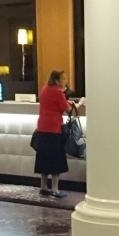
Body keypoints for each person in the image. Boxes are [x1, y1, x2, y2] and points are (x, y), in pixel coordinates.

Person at [34, 69, 80, 198]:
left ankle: (43, 187)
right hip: (54, 129)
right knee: (56, 159)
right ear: (56, 80)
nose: (66, 81)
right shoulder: (58, 92)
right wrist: (80, 104)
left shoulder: (45, 89)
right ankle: (55, 189)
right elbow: (69, 111)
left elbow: (54, 104)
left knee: (44, 158)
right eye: (63, 78)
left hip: (42, 128)